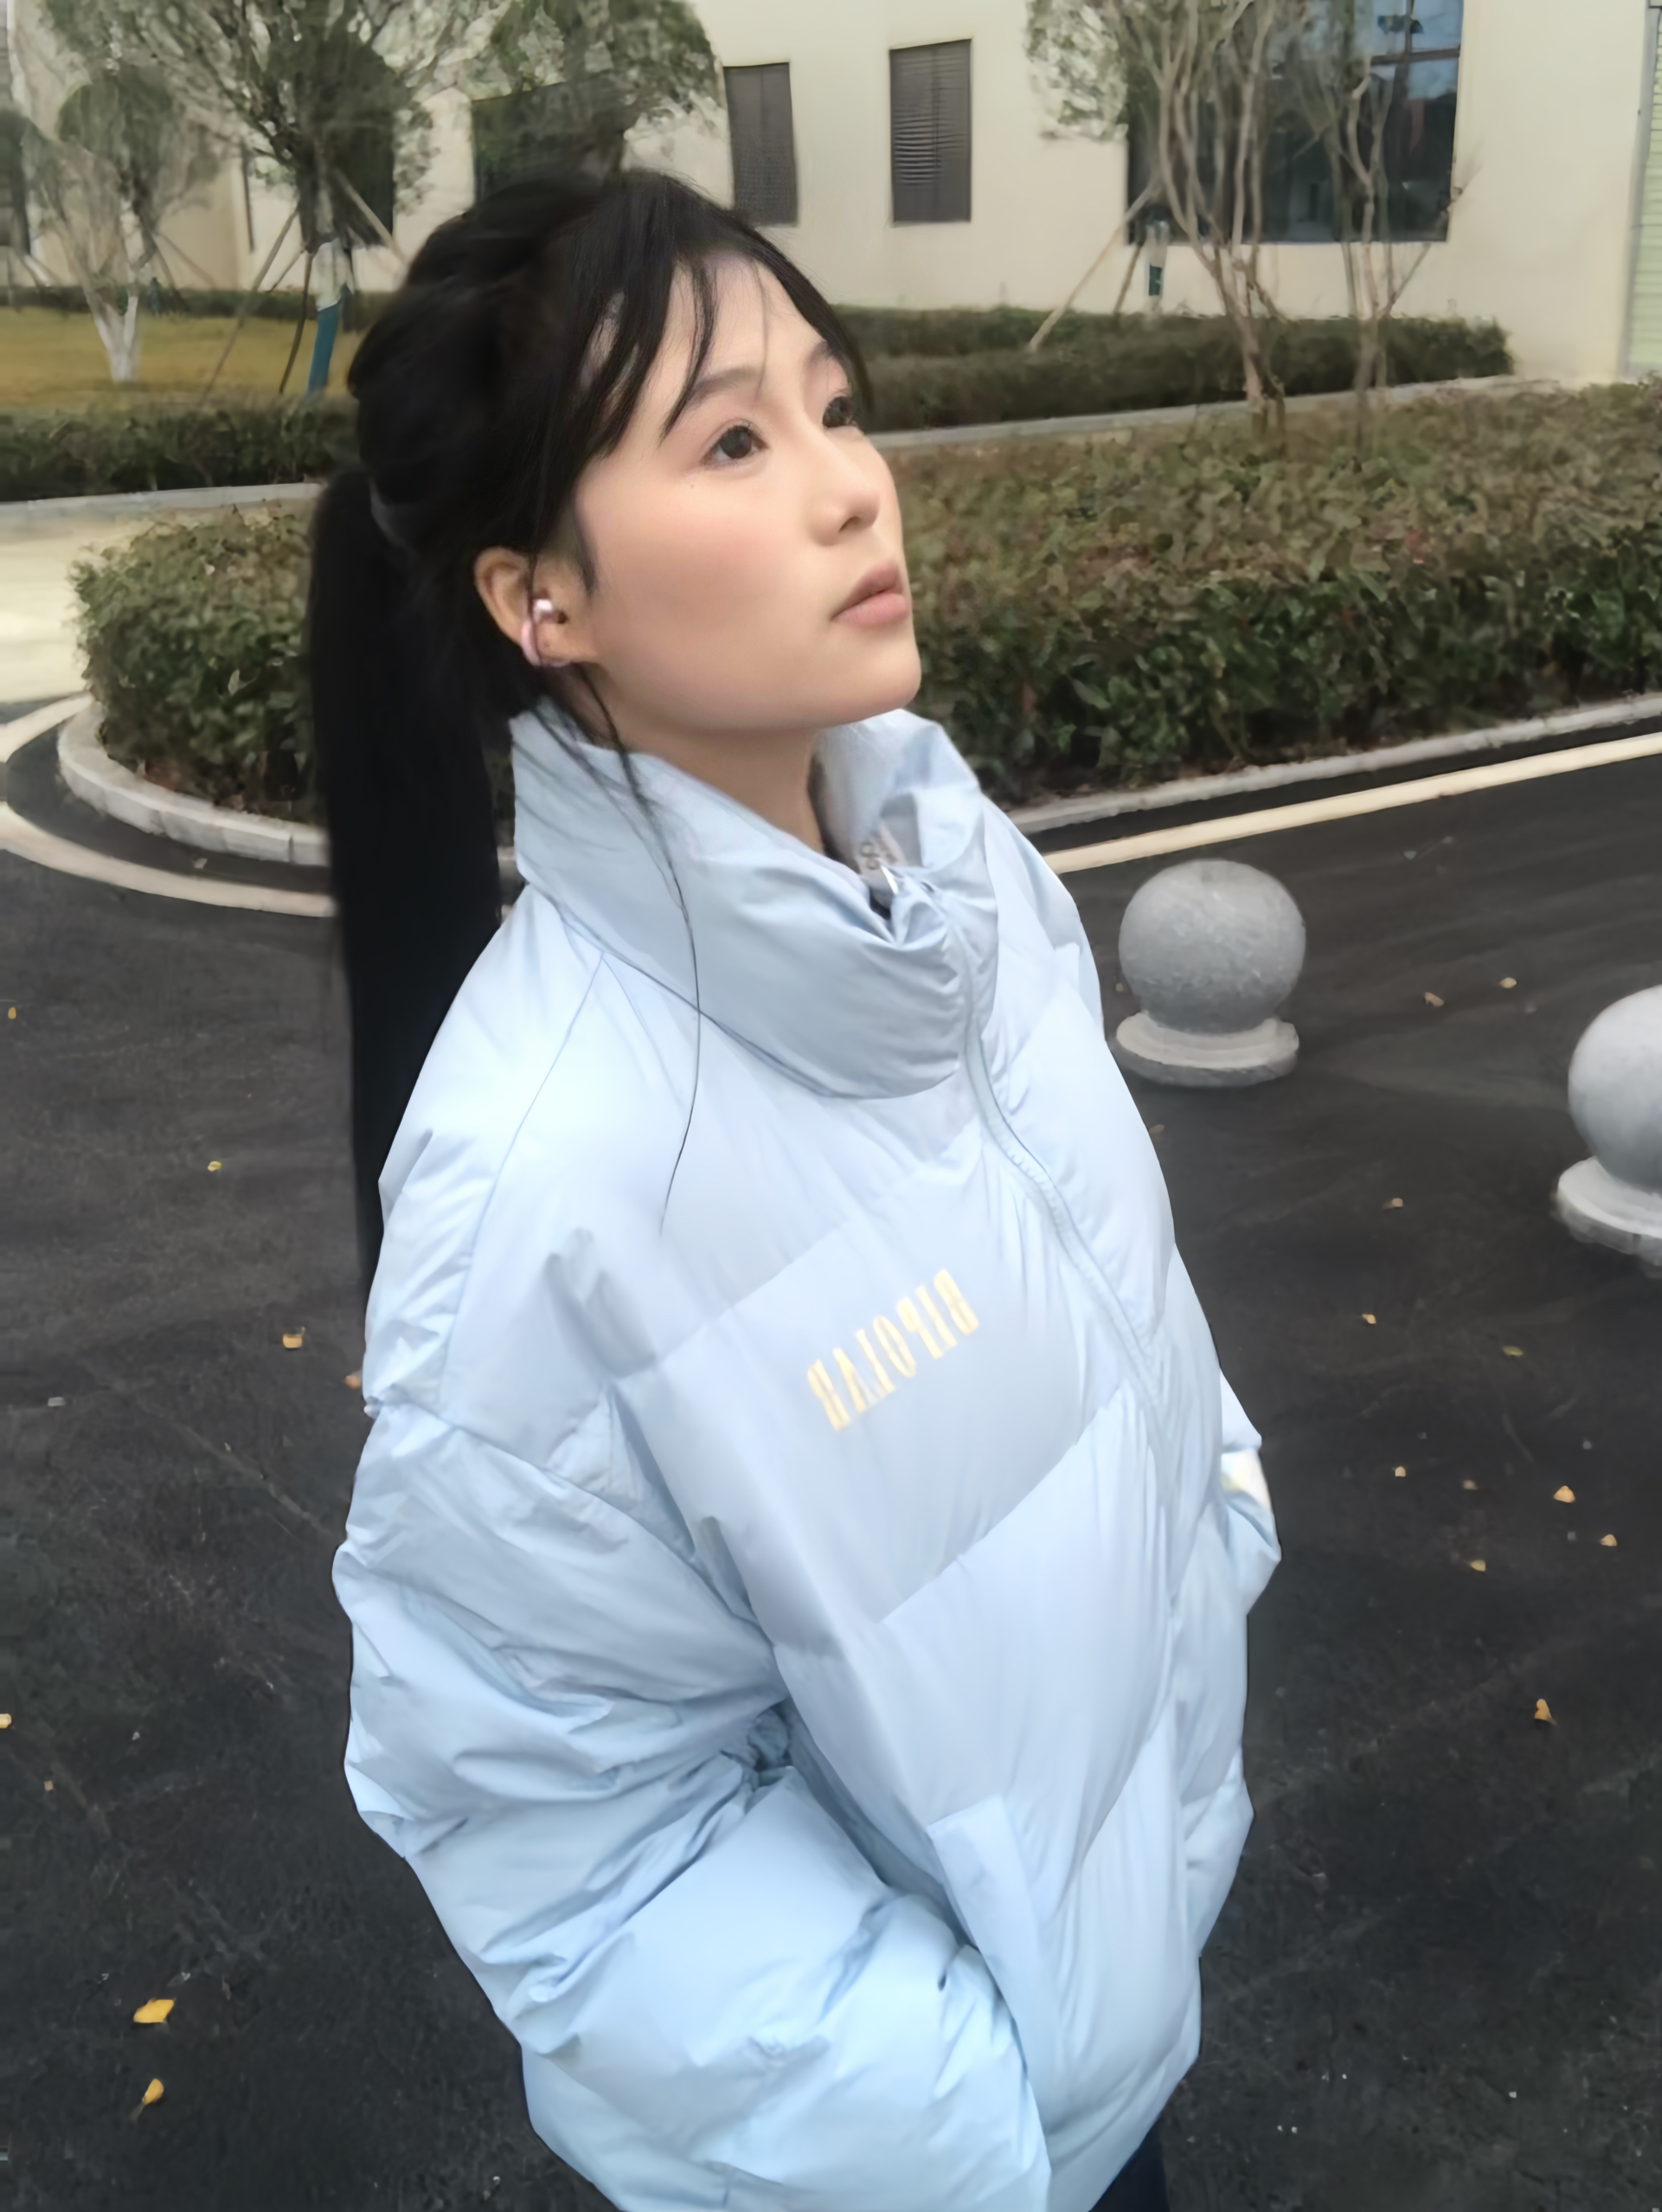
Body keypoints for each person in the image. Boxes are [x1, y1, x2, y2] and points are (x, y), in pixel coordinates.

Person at [313, 170, 1279, 2212]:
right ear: (539, 600)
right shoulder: (544, 1174)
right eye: (734, 443)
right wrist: (967, 2128)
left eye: (836, 408)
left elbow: (1121, 1312)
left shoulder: (966, 887)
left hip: (1117, 2014)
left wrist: (1216, 1512)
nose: (851, 486)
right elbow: (573, 1828)